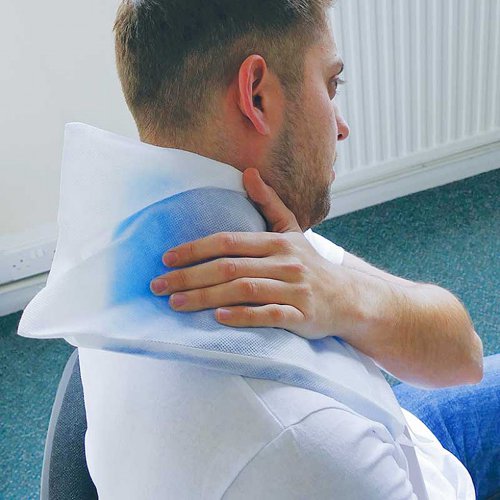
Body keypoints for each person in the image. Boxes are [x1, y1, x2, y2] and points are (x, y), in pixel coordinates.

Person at [77, 1, 498, 498]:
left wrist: (346, 296)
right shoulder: (303, 448)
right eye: (331, 84)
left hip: (404, 438)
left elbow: (462, 355)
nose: (340, 125)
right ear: (256, 96)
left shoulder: (157, 237)